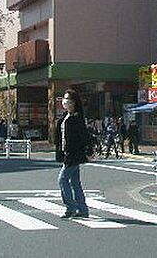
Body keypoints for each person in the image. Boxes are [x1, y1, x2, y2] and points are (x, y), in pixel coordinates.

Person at [55, 89, 91, 218]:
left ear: (74, 103)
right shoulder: (65, 117)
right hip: (67, 153)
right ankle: (82, 209)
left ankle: (71, 207)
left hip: (74, 154)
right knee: (75, 182)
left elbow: (83, 135)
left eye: (69, 100)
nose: (66, 102)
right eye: (65, 100)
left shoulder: (77, 118)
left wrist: (88, 149)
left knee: (62, 179)